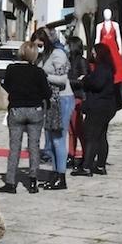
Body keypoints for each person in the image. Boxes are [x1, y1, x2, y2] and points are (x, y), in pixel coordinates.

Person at [0, 40, 47, 195]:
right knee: (34, 146)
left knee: (14, 147)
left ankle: (11, 182)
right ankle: (33, 181)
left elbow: (6, 85)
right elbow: (47, 92)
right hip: (35, 110)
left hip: (17, 109)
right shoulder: (38, 72)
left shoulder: (12, 69)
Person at [71, 43, 118, 176]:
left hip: (99, 106)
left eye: (94, 52)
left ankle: (86, 167)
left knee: (90, 135)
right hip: (107, 106)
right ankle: (100, 165)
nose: (93, 54)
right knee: (101, 136)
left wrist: (85, 80)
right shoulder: (107, 68)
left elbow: (97, 84)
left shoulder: (102, 69)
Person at [35, 28, 73, 190]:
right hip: (50, 100)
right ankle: (55, 173)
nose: (38, 48)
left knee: (58, 138)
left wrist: (43, 76)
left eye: (40, 44)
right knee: (51, 138)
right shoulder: (44, 56)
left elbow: (63, 79)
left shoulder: (58, 54)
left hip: (62, 99)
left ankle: (61, 176)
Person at [66, 35, 86, 163]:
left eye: (68, 45)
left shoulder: (81, 61)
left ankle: (85, 154)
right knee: (70, 129)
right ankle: (71, 154)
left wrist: (68, 81)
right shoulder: (68, 60)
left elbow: (84, 80)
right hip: (68, 96)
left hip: (77, 97)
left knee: (78, 128)